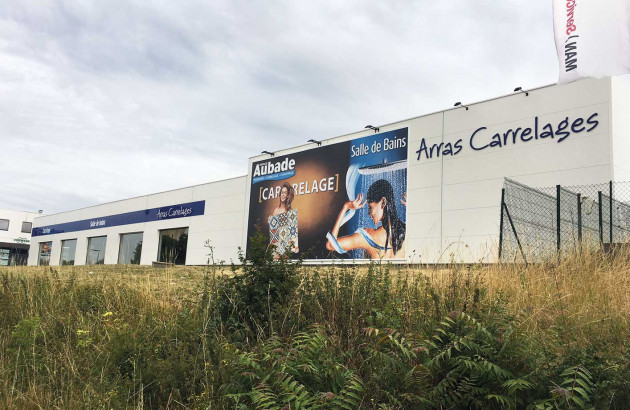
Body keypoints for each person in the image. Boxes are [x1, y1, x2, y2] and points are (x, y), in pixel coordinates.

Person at [326, 179, 406, 259]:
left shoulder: (367, 237)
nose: (369, 213)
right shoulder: (407, 230)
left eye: (370, 207)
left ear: (383, 202)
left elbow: (330, 245)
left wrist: (346, 207)